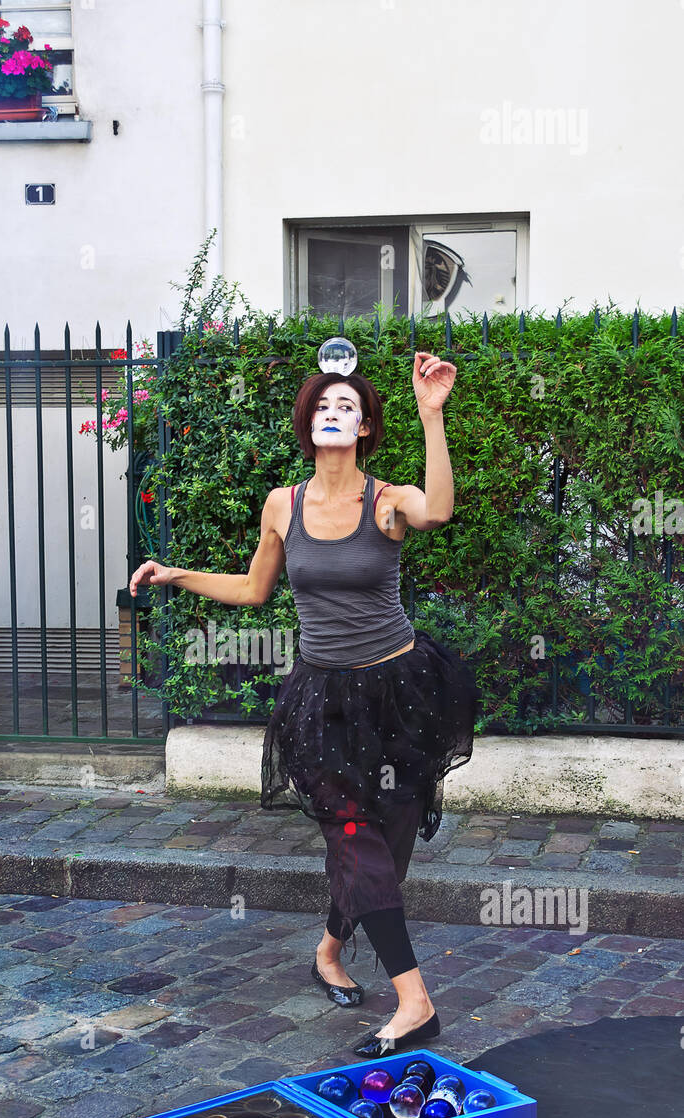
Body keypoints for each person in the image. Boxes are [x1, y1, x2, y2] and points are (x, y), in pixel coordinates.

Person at [129, 348, 479, 1058]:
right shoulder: (281, 505)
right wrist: (178, 575)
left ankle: (328, 949)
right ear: (307, 423)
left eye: (347, 406)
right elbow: (255, 590)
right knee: (353, 838)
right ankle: (415, 1001)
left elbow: (437, 509)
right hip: (324, 700)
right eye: (323, 405)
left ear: (367, 427)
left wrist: (432, 415)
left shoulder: (386, 500)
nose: (333, 413)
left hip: (401, 691)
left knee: (391, 846)